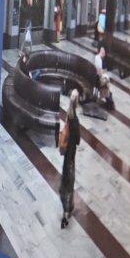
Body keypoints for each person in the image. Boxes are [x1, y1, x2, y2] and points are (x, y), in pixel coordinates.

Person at [56, 91, 81, 230]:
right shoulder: (75, 120)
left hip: (67, 154)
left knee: (66, 176)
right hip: (71, 154)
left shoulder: (68, 115)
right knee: (70, 180)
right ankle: (67, 211)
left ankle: (63, 196)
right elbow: (77, 140)